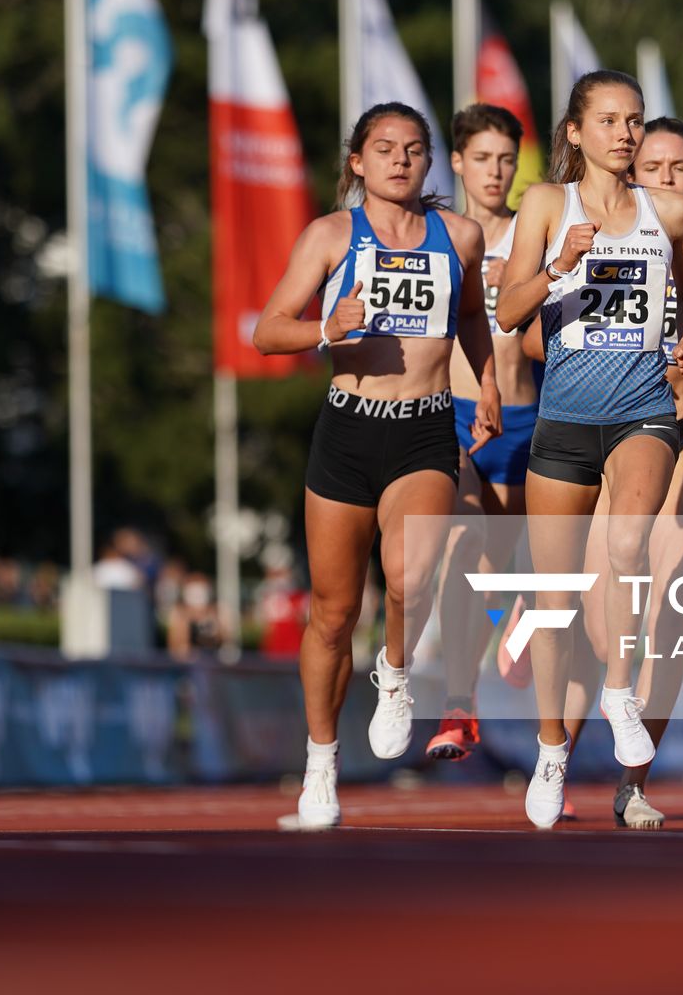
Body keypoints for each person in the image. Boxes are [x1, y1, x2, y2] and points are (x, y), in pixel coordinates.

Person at [252, 102, 500, 831]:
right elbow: (268, 330)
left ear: (428, 163)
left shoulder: (459, 235)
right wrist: (324, 329)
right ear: (357, 162)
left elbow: (473, 318)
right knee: (332, 614)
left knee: (411, 574)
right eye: (384, 149)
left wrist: (484, 383)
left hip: (425, 428)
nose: (400, 160)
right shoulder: (330, 235)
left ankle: (394, 672)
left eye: (414, 149)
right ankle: (320, 764)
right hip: (348, 431)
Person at [495, 71, 683, 829]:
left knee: (627, 545)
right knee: (555, 600)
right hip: (562, 424)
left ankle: (620, 689)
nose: (625, 134)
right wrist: (558, 267)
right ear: (575, 133)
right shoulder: (548, 206)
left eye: (635, 122)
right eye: (609, 121)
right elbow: (509, 310)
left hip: (643, 411)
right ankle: (552, 750)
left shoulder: (670, 211)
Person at [427, 103, 543, 763]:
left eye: (506, 160)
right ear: (459, 162)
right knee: (461, 548)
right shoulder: (439, 234)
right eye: (482, 159)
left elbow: (556, 333)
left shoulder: (537, 233)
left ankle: (517, 617)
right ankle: (457, 706)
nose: (495, 172)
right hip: (455, 415)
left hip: (526, 420)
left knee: (503, 565)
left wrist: (524, 289)